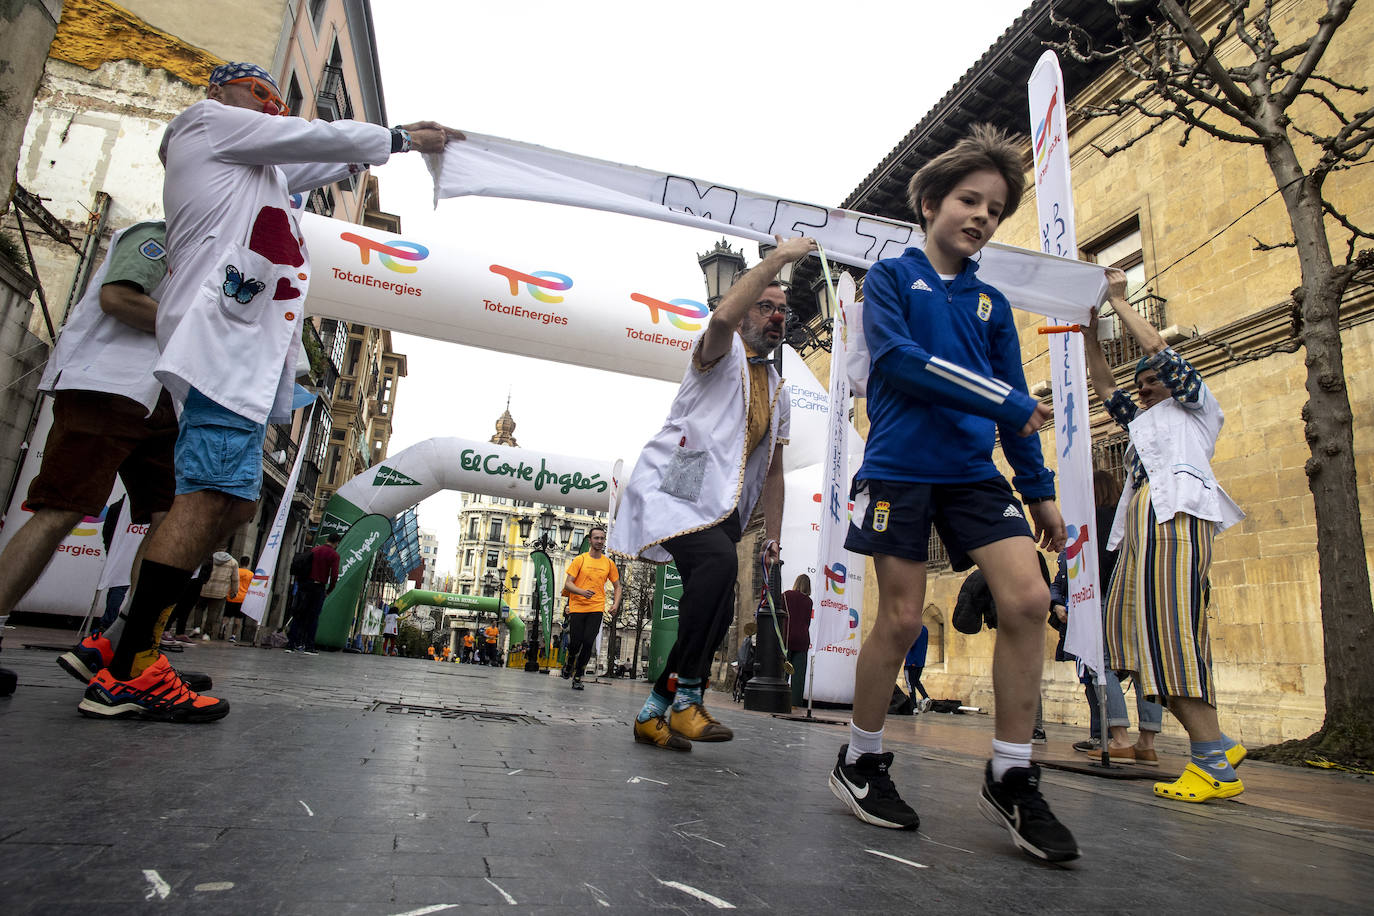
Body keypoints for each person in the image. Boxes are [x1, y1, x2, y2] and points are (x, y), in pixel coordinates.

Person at [78, 62, 459, 722]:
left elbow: (318, 159)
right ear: (221, 93)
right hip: (221, 347)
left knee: (232, 504)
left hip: (243, 351)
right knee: (209, 498)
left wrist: (385, 151)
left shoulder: (256, 170)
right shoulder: (207, 125)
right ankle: (129, 665)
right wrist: (401, 139)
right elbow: (316, 139)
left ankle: (125, 645)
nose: (273, 108)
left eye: (279, 101)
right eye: (262, 96)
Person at [827, 125, 1077, 863]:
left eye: (995, 210)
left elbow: (1013, 412)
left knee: (1030, 599)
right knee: (903, 619)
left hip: (973, 474)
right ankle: (861, 760)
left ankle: (1010, 773)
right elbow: (901, 364)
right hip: (900, 467)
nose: (981, 217)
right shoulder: (891, 280)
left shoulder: (993, 307)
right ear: (932, 202)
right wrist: (1003, 404)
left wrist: (1039, 492)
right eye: (969, 200)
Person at [610, 234, 808, 752]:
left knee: (718, 609)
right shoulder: (719, 352)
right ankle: (689, 698)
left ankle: (655, 710)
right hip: (677, 490)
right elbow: (720, 320)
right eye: (764, 305)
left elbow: (775, 472)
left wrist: (775, 537)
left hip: (723, 506)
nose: (775, 315)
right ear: (744, 311)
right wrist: (778, 261)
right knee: (719, 567)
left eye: (781, 309)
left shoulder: (779, 391)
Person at [2, 220, 211, 697]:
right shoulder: (159, 233)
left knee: (177, 518)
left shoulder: (210, 259)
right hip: (106, 386)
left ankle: (123, 642)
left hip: (164, 397)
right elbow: (117, 298)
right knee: (62, 509)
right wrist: (202, 333)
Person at [1085, 268, 1246, 802]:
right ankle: (1218, 740)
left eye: (1153, 380)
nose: (1145, 385)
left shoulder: (1196, 411)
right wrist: (1088, 329)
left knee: (1169, 633)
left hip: (1175, 521)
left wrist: (1115, 301)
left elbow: (1157, 347)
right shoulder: (1142, 424)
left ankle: (1212, 765)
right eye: (1143, 383)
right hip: (1141, 533)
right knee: (1132, 636)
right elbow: (1106, 386)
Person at [560, 526, 621, 690]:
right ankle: (570, 662)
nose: (600, 541)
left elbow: (617, 586)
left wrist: (615, 604)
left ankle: (578, 675)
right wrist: (582, 592)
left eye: (602, 538)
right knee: (575, 643)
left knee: (588, 642)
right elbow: (568, 583)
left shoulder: (608, 563)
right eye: (597, 538)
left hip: (596, 607)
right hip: (578, 606)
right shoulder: (580, 560)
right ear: (590, 540)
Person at [288, 533, 340, 655]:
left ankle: (291, 644)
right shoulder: (334, 555)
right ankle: (309, 646)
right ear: (337, 543)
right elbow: (334, 576)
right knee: (313, 617)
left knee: (298, 614)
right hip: (318, 587)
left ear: (327, 539)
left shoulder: (314, 550)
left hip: (304, 586)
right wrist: (329, 590)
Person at [783, 574, 813, 708]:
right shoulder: (809, 601)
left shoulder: (786, 596)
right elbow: (807, 622)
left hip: (787, 638)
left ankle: (779, 699)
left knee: (783, 672)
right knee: (798, 676)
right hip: (802, 640)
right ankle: (795, 704)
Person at [220, 555, 253, 642]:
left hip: (231, 596)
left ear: (240, 562)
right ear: (248, 563)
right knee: (238, 619)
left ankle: (223, 628)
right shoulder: (250, 574)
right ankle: (233, 636)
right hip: (242, 599)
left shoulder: (235, 571)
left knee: (227, 616)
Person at [903, 625, 933, 714]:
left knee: (910, 684)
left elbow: (910, 643)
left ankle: (914, 707)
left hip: (911, 661)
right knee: (916, 681)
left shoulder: (913, 629)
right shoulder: (925, 629)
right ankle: (926, 697)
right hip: (920, 661)